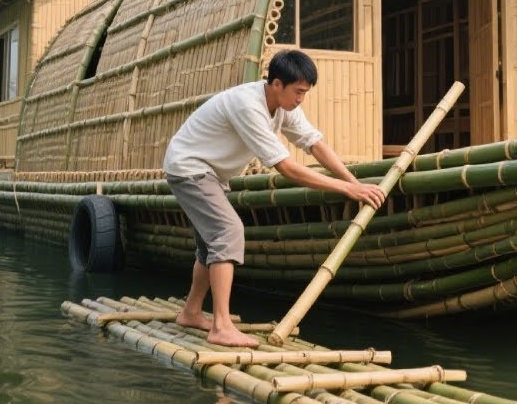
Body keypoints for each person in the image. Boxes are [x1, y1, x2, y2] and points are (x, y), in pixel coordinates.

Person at [163, 49, 385, 347]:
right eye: (298, 91)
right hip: (189, 167)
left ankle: (191, 312)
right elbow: (286, 167)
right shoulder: (248, 105)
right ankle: (221, 326)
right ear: (277, 84)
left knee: (210, 243)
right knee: (227, 232)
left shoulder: (284, 107)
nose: (300, 99)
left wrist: (354, 183)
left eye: (305, 92)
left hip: (208, 172)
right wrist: (346, 190)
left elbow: (314, 144)